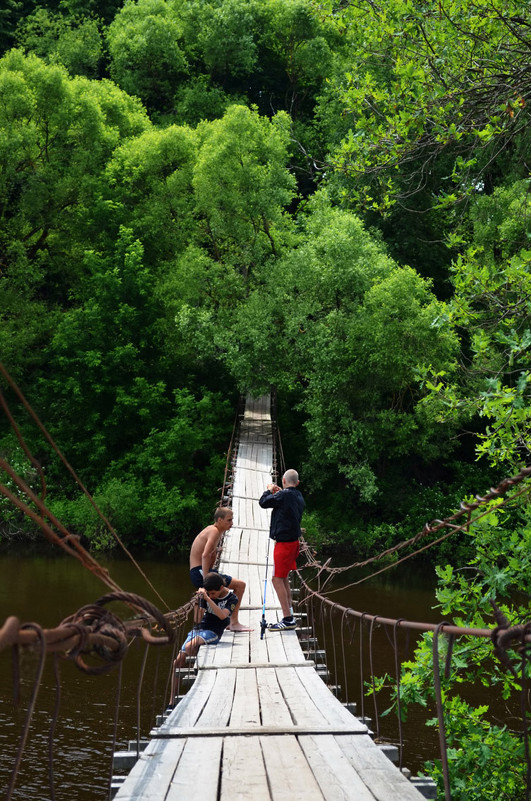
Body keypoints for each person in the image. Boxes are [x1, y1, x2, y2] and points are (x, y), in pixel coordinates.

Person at [170, 571, 238, 704]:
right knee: (177, 663)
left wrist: (208, 599)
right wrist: (198, 602)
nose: (211, 596)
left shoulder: (232, 599)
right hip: (199, 630)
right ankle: (171, 702)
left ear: (221, 588)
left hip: (213, 632)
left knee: (190, 646)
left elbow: (223, 616)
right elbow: (197, 620)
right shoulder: (206, 596)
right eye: (209, 594)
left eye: (213, 594)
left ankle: (192, 690)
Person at [189, 506, 252, 632]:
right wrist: (207, 579)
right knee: (240, 586)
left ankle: (205, 624)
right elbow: (205, 555)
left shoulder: (214, 530)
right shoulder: (214, 531)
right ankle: (233, 623)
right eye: (229, 520)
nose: (232, 523)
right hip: (200, 571)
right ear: (219, 520)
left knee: (223, 592)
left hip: (198, 571)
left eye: (232, 520)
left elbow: (210, 555)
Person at [258, 468, 305, 631]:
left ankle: (287, 619)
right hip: (293, 543)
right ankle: (289, 615)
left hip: (284, 544)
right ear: (297, 483)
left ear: (284, 481)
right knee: (283, 578)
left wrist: (269, 490)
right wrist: (277, 494)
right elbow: (283, 502)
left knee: (276, 579)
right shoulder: (298, 496)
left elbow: (263, 502)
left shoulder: (283, 495)